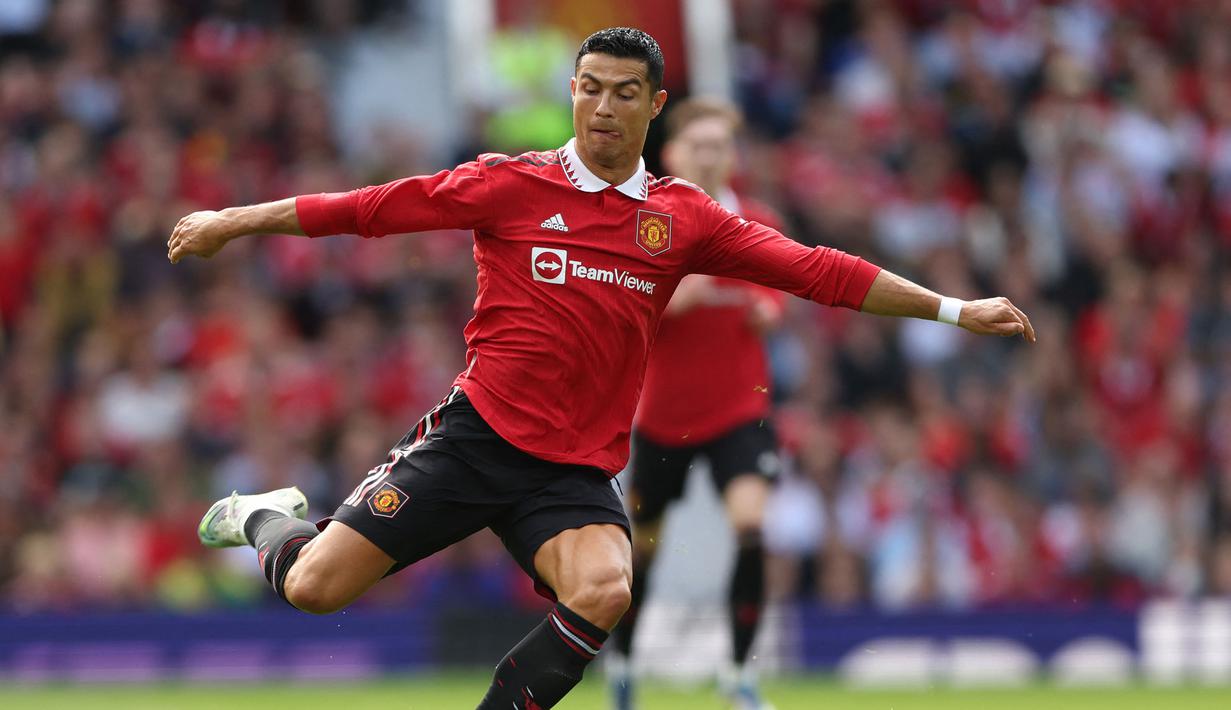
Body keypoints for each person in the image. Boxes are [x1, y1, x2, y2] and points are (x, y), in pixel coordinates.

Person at [167, 27, 1035, 710]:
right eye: (589, 89)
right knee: (314, 589)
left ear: (654, 105)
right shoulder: (508, 184)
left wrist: (956, 310)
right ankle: (263, 515)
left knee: (606, 589)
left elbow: (817, 270)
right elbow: (365, 210)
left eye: (625, 93)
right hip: (475, 437)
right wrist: (232, 220)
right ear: (571, 94)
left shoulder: (682, 218)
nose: (603, 108)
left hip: (572, 468)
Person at [605, 98, 786, 710]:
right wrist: (669, 301)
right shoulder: (651, 225)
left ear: (733, 156)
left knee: (751, 525)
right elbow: (622, 310)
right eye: (699, 146)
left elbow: (779, 287)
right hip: (666, 416)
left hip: (741, 407)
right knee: (643, 550)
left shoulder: (755, 221)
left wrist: (770, 311)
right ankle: (624, 662)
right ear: (675, 154)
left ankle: (738, 675)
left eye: (719, 146)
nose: (710, 156)